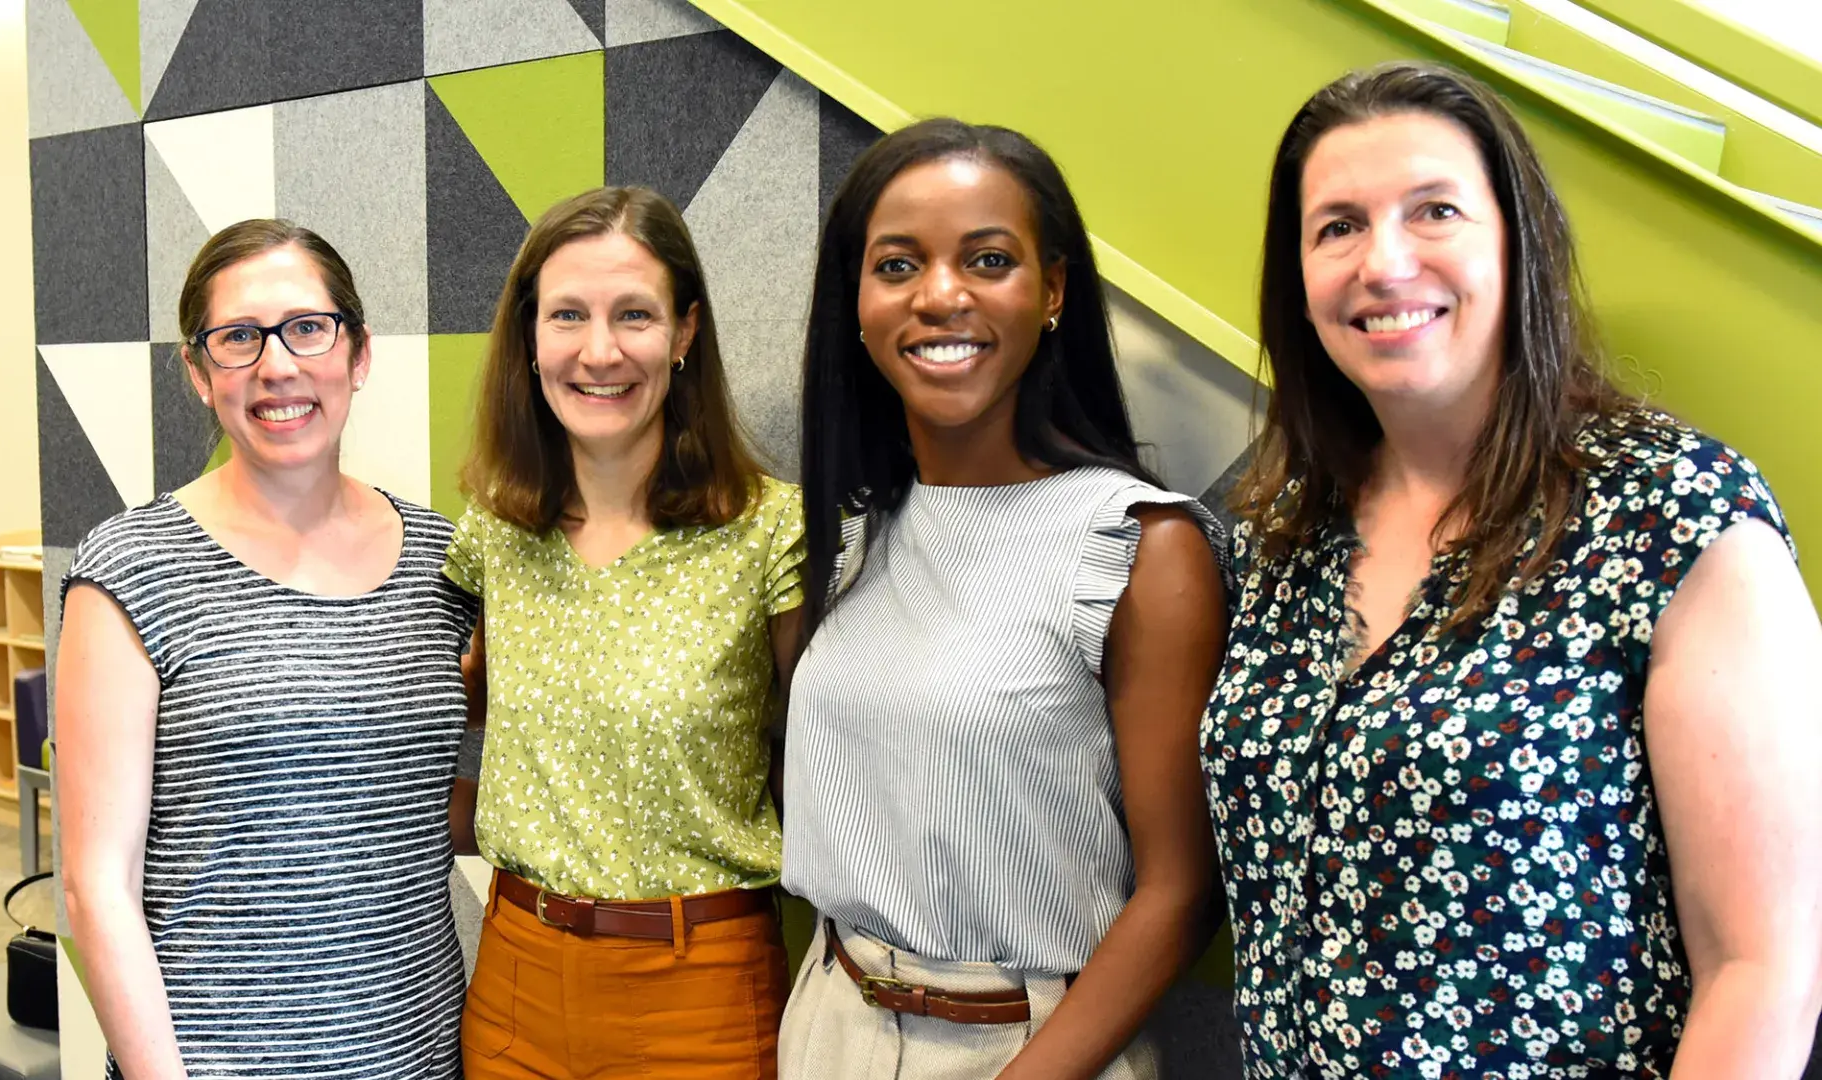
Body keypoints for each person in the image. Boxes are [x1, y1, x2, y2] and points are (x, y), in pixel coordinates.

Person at [1204, 60, 1822, 1078]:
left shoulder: (1670, 511)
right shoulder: (1285, 531)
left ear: (1518, 242)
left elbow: (1764, 971)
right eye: (1338, 226)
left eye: (1435, 210)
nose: (1383, 261)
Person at [778, 118, 1232, 1079]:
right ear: (856, 304)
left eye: (987, 259)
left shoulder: (1141, 545)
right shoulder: (858, 534)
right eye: (897, 266)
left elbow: (1180, 894)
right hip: (832, 1020)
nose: (941, 296)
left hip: (1032, 1045)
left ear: (1053, 290)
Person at [55, 219, 479, 1078]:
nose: (277, 365)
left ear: (357, 353)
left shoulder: (448, 560)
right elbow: (95, 888)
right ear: (198, 371)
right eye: (238, 338)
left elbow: (438, 812)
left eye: (307, 328)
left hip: (422, 1054)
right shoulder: (131, 568)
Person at [445, 186, 805, 1080]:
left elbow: (833, 764)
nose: (598, 351)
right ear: (529, 338)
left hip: (700, 992)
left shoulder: (769, 534)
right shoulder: (494, 531)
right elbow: (450, 723)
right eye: (567, 314)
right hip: (515, 980)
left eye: (633, 314)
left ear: (685, 333)